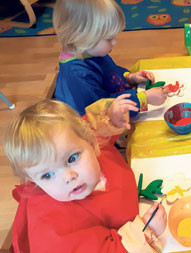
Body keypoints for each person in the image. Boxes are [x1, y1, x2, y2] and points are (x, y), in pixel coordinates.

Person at [3, 95, 167, 252]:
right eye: (47, 175)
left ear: (92, 142)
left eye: (72, 158)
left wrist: (110, 116)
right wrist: (146, 230)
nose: (68, 177)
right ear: (33, 181)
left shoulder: (76, 139)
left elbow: (88, 126)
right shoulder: (56, 231)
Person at [53, 0, 168, 117]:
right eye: (109, 38)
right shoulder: (78, 75)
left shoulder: (89, 50)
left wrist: (130, 78)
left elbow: (110, 74)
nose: (115, 41)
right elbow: (101, 111)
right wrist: (143, 99)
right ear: (81, 37)